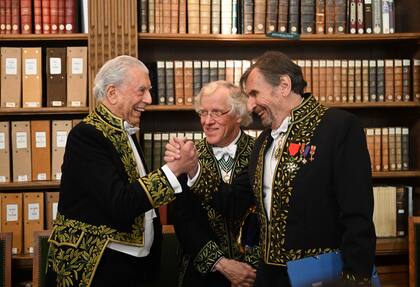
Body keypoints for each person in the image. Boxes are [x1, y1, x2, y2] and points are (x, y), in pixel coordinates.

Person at [46, 55, 198, 287]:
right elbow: (120, 203)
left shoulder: (124, 131)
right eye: (141, 90)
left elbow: (137, 195)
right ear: (112, 93)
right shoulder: (86, 135)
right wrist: (173, 169)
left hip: (133, 267)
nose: (149, 98)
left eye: (149, 90)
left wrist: (176, 169)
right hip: (99, 267)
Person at [239, 51, 376, 286]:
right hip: (268, 279)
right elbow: (244, 201)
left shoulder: (339, 127)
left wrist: (355, 280)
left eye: (254, 94)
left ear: (283, 85)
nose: (250, 105)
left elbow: (357, 216)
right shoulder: (262, 142)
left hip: (323, 276)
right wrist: (191, 172)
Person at [166, 81, 258, 287]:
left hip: (252, 273)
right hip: (202, 272)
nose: (207, 121)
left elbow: (265, 213)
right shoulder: (188, 155)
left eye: (216, 112)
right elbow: (183, 219)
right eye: (203, 112)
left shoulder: (259, 153)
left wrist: (249, 268)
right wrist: (221, 263)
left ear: (238, 114)